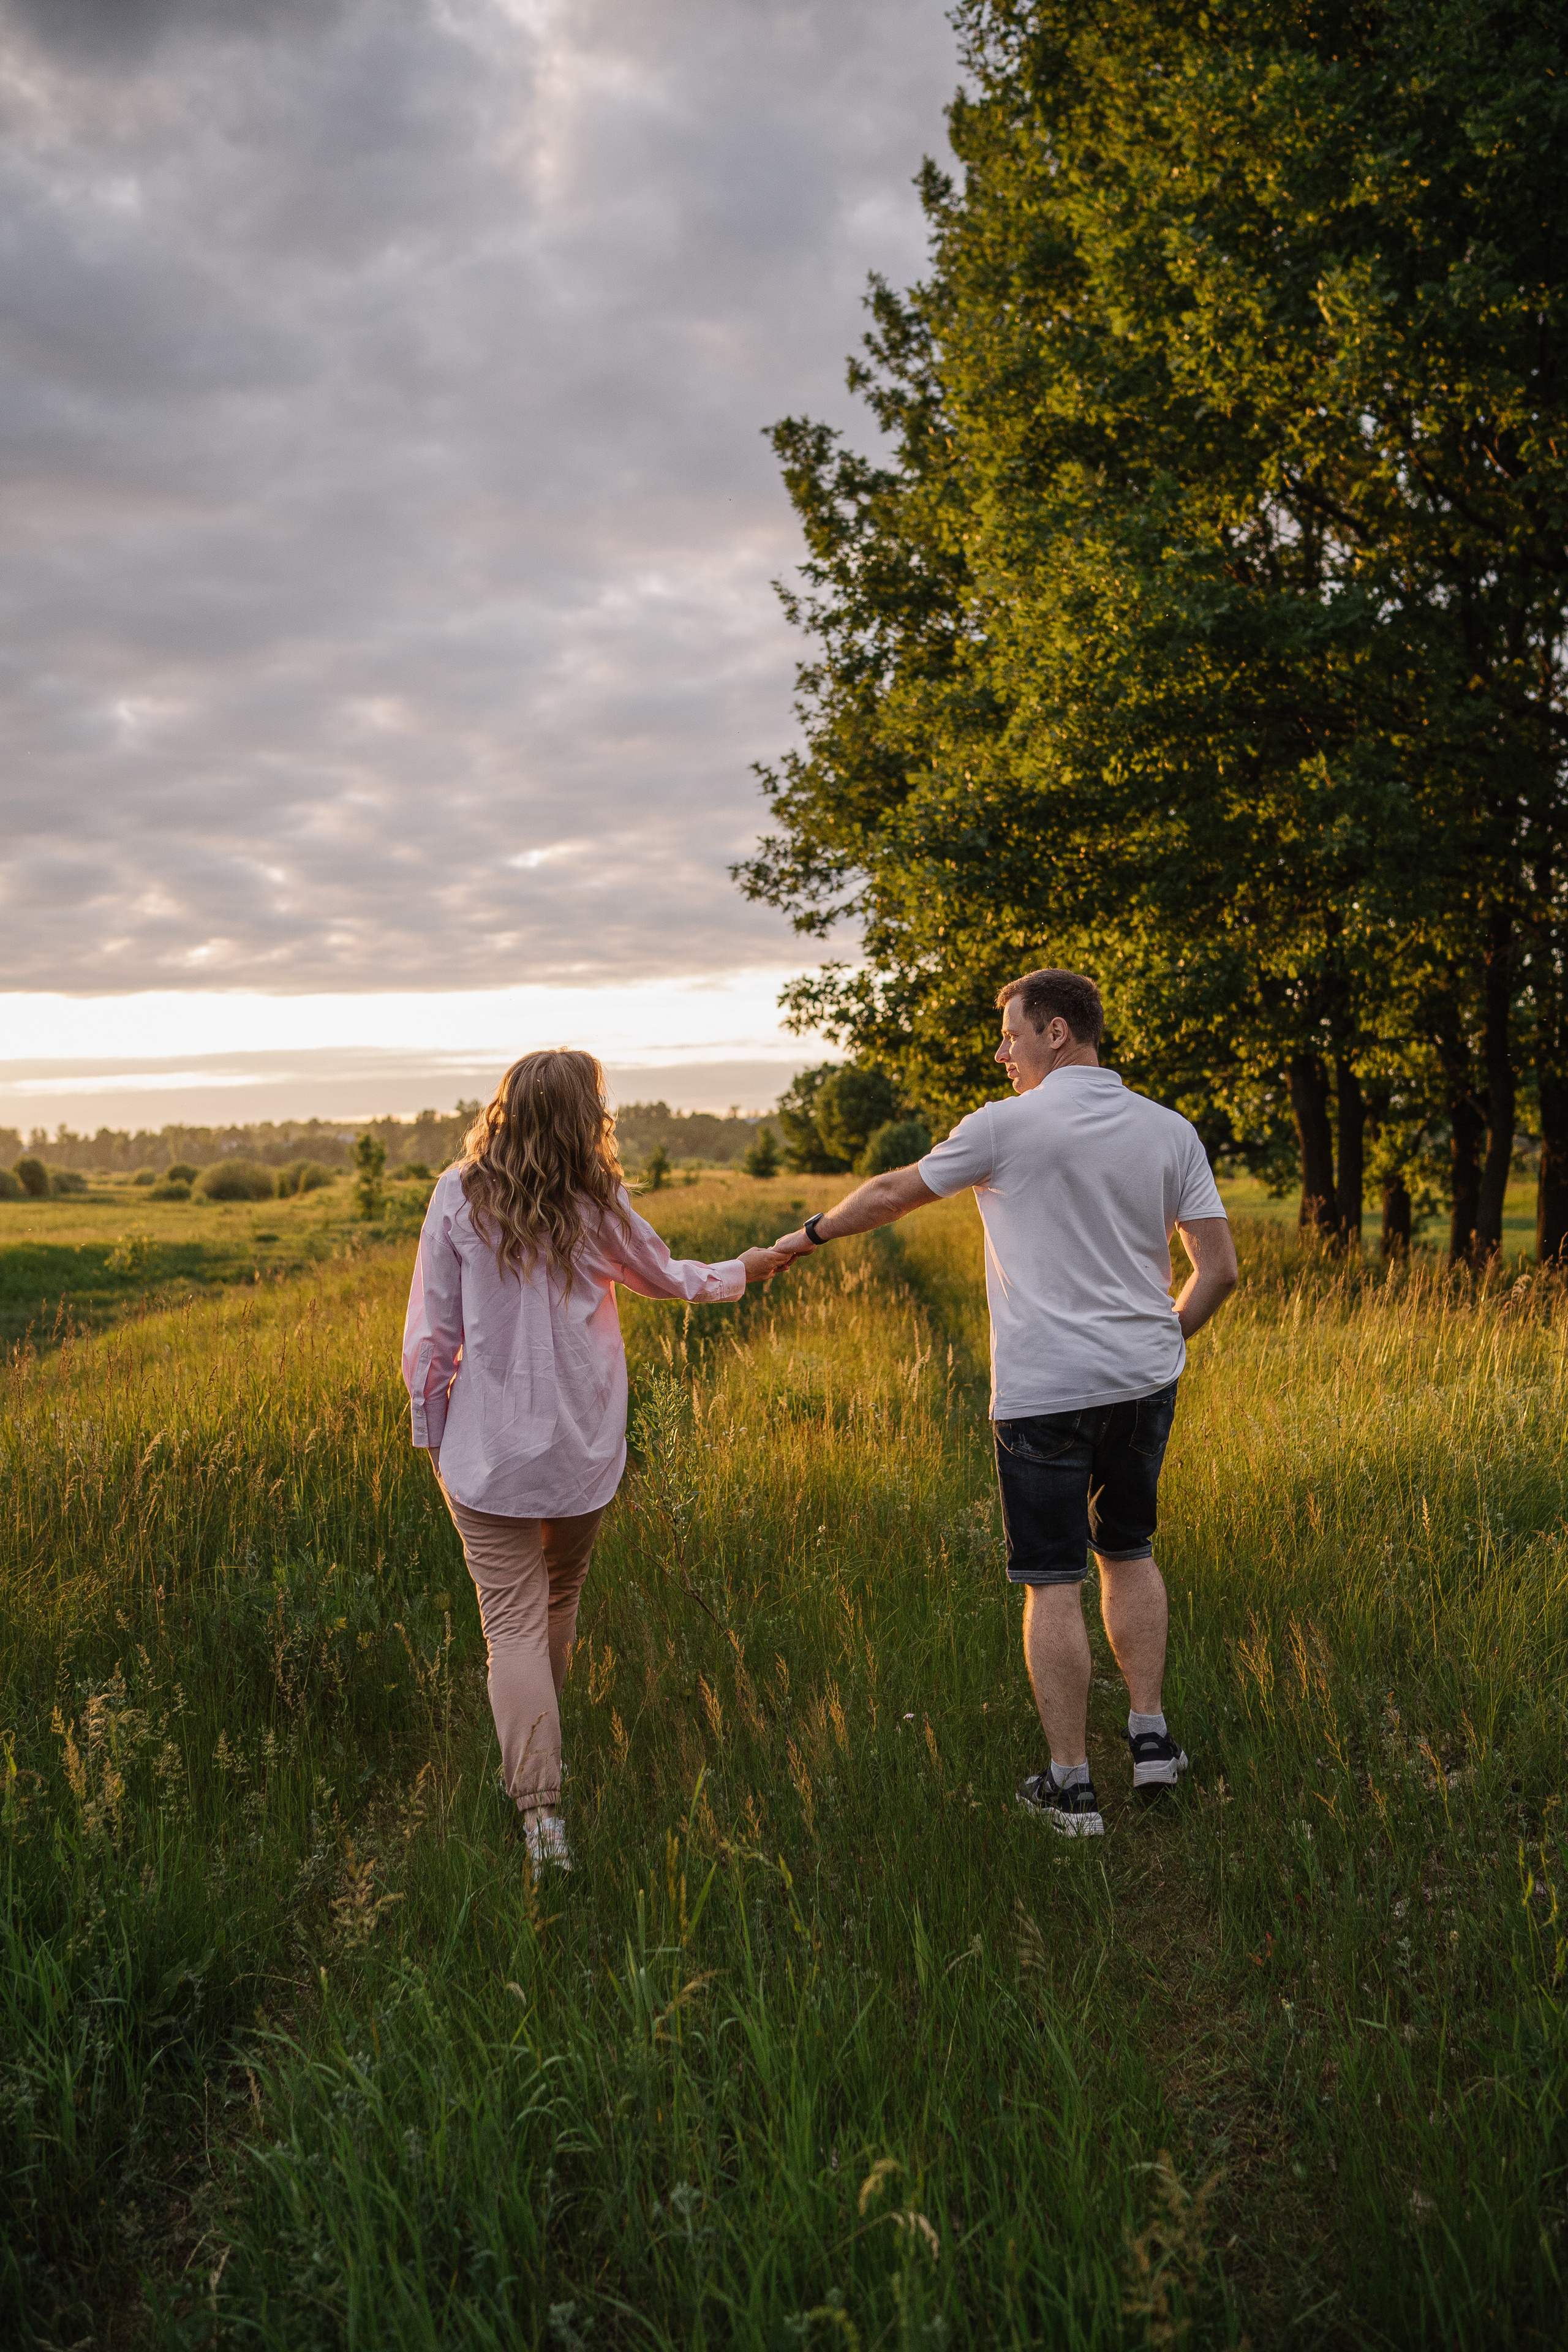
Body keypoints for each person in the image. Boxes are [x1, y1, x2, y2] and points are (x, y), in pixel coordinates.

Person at [772, 968, 1237, 1838]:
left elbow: (886, 1195)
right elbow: (1219, 1272)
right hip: (1143, 1383)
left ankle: (1072, 1789)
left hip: (1043, 1395)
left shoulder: (1003, 1128)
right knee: (1130, 1552)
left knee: (1052, 1582)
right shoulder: (1169, 1130)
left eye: (1011, 1035)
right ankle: (1151, 1742)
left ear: (1055, 1034)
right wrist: (1164, 1344)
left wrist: (799, 1241)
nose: (1002, 1053)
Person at [402, 1050, 790, 1870]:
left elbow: (432, 1340)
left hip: (486, 1453)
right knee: (559, 1597)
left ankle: (540, 1811)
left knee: (508, 1623)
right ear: (587, 1115)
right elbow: (670, 1278)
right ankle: (537, 1770)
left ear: (505, 1107)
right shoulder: (596, 1201)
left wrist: (432, 1436)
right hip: (580, 1448)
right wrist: (744, 1270)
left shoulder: (457, 1194)